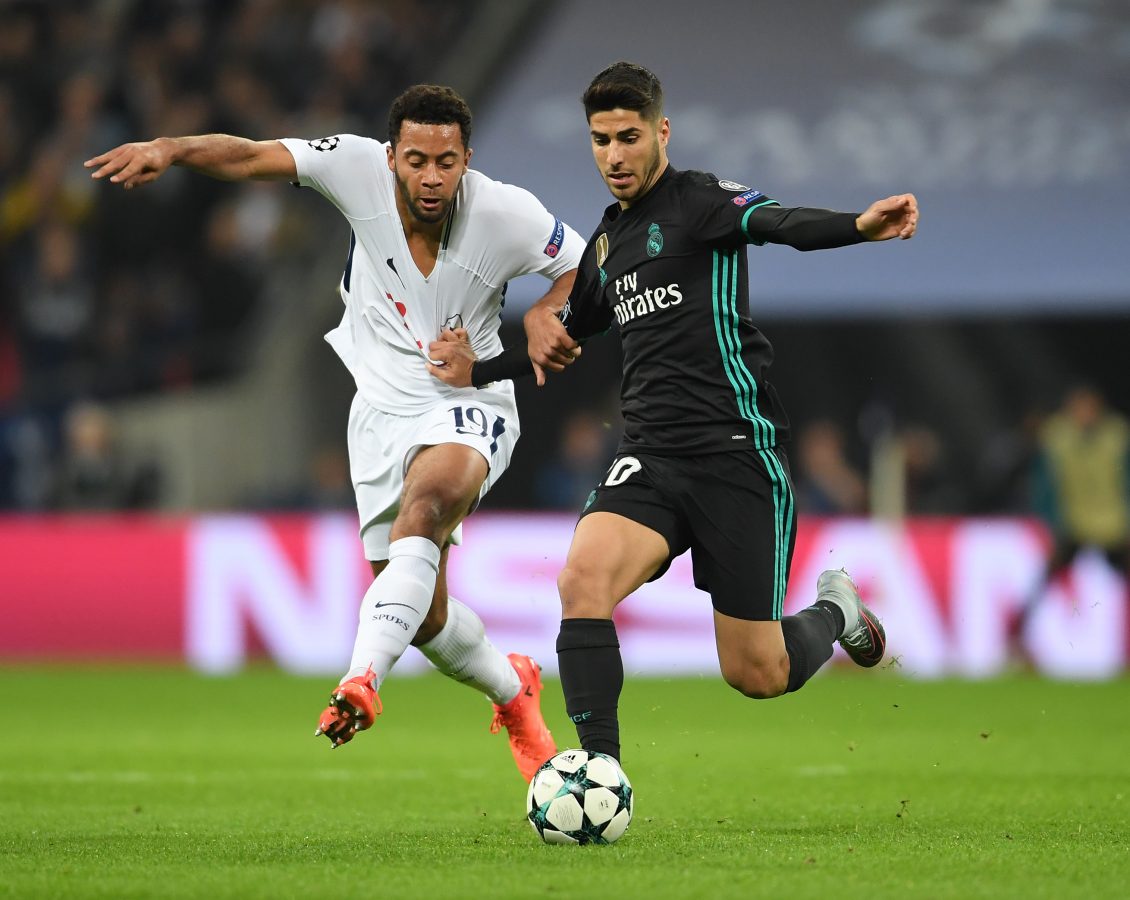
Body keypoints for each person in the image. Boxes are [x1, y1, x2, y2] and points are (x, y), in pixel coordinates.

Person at [86, 84, 583, 781]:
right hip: (378, 412)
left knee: (429, 507)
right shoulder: (352, 167)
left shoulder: (508, 213)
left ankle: (361, 681)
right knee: (427, 619)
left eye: (447, 161)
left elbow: (588, 268)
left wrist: (547, 311)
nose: (432, 177)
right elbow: (253, 156)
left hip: (470, 401)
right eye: (416, 160)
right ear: (390, 158)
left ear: (467, 157)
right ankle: (514, 691)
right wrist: (171, 149)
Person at [429, 62, 917, 764]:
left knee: (757, 672)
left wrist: (859, 227)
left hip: (735, 456)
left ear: (661, 132)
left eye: (629, 137)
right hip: (652, 458)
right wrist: (476, 369)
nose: (614, 156)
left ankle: (836, 608)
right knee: (582, 580)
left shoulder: (701, 202)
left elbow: (780, 223)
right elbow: (561, 341)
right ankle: (601, 772)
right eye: (600, 140)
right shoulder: (606, 244)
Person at [1012, 384, 1130, 643]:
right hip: (1074, 523)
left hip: (1113, 524)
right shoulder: (1056, 435)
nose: (1084, 413)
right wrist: (1050, 517)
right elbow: (1042, 479)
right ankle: (1017, 637)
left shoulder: (1117, 435)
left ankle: (1018, 633)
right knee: (1044, 580)